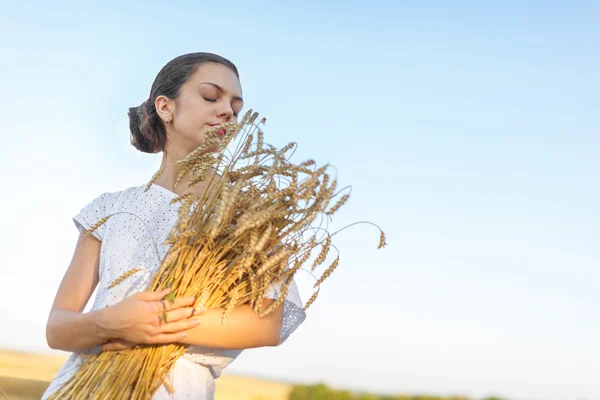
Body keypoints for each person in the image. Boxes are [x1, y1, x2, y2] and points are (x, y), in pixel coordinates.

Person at [42, 52, 306, 399]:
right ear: (166, 107)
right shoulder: (110, 209)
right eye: (211, 97)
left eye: (236, 106)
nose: (227, 110)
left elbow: (269, 323)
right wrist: (112, 321)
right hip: (79, 388)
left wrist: (156, 323)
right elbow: (58, 329)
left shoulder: (251, 217)